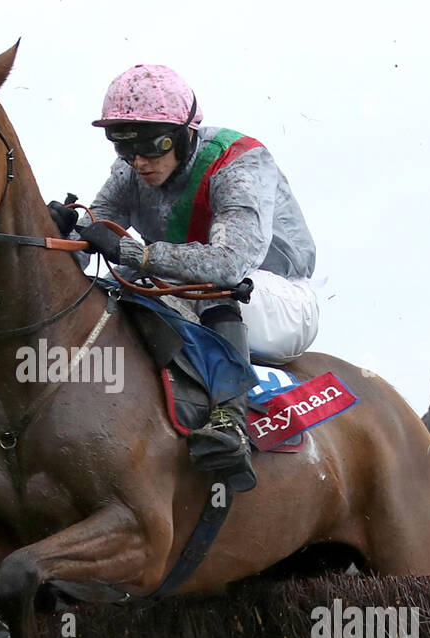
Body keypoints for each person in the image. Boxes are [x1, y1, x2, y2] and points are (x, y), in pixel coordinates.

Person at [55, 64, 318, 493]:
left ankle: (229, 422)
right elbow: (96, 232)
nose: (139, 162)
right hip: (194, 291)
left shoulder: (240, 161)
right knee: (114, 286)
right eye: (124, 146)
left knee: (205, 284)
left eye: (152, 146)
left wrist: (133, 252)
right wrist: (61, 230)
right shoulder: (130, 171)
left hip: (275, 296)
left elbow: (229, 263)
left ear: (183, 133)